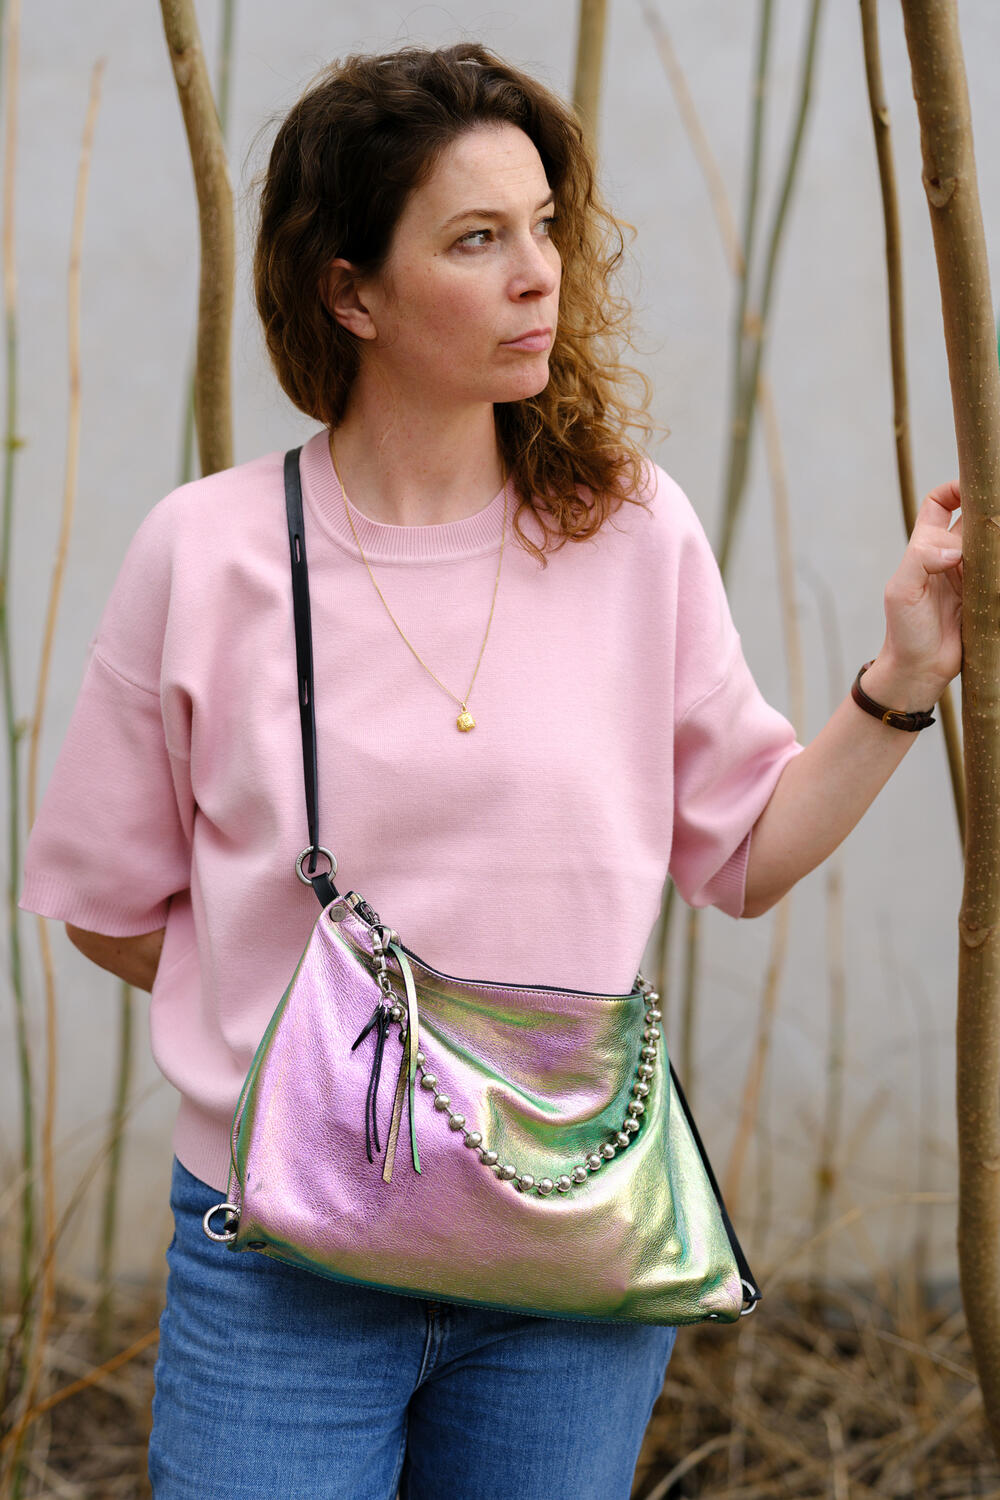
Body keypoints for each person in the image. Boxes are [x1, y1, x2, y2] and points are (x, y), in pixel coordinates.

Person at [19, 40, 962, 1500]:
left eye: (544, 228)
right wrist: (318, 1047)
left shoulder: (631, 530)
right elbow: (106, 903)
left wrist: (904, 677)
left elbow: (747, 854)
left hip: (571, 1246)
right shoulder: (205, 553)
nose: (539, 273)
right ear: (353, 293)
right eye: (476, 239)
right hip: (284, 1250)